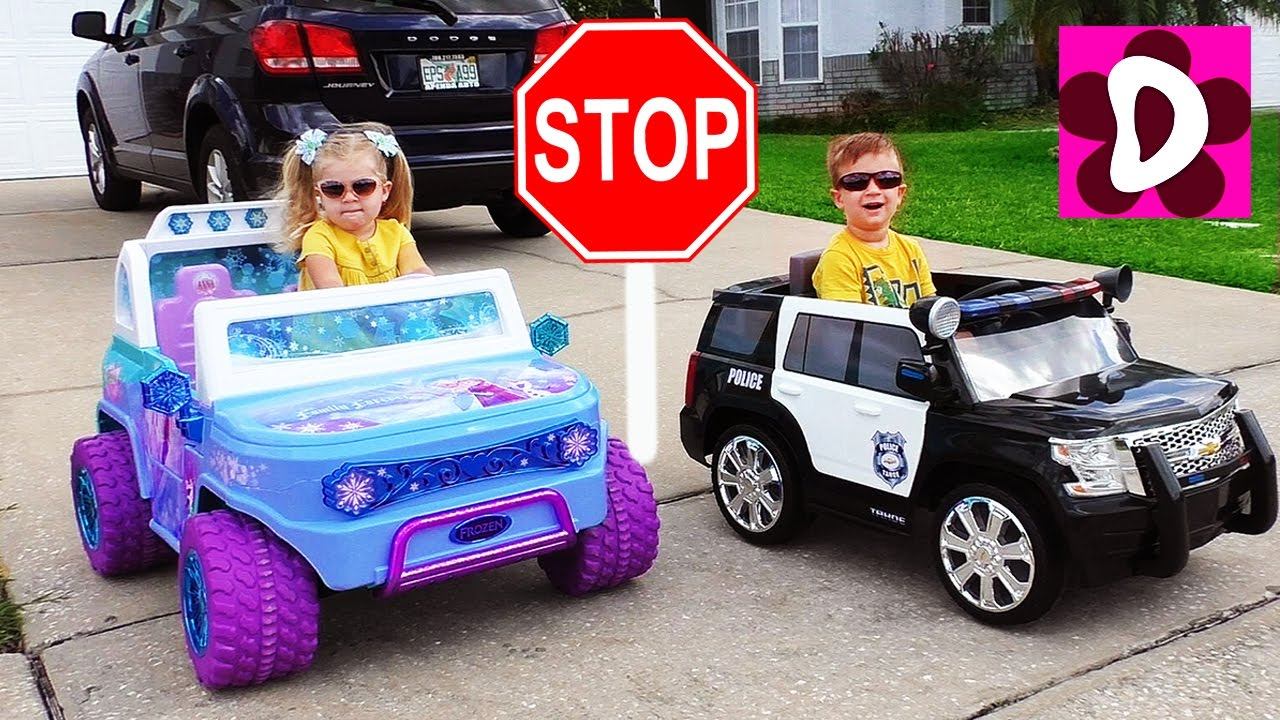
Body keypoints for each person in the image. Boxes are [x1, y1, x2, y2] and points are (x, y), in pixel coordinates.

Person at [276, 122, 434, 290]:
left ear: (384, 191)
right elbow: (330, 289)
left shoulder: (396, 233)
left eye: (363, 186)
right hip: (340, 307)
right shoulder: (319, 237)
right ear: (319, 195)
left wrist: (425, 284)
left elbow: (417, 271)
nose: (349, 198)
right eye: (334, 189)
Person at [811, 132, 934, 307]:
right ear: (839, 198)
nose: (873, 190)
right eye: (856, 181)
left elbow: (931, 307)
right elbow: (845, 321)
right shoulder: (839, 258)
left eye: (887, 179)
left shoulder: (911, 249)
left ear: (900, 194)